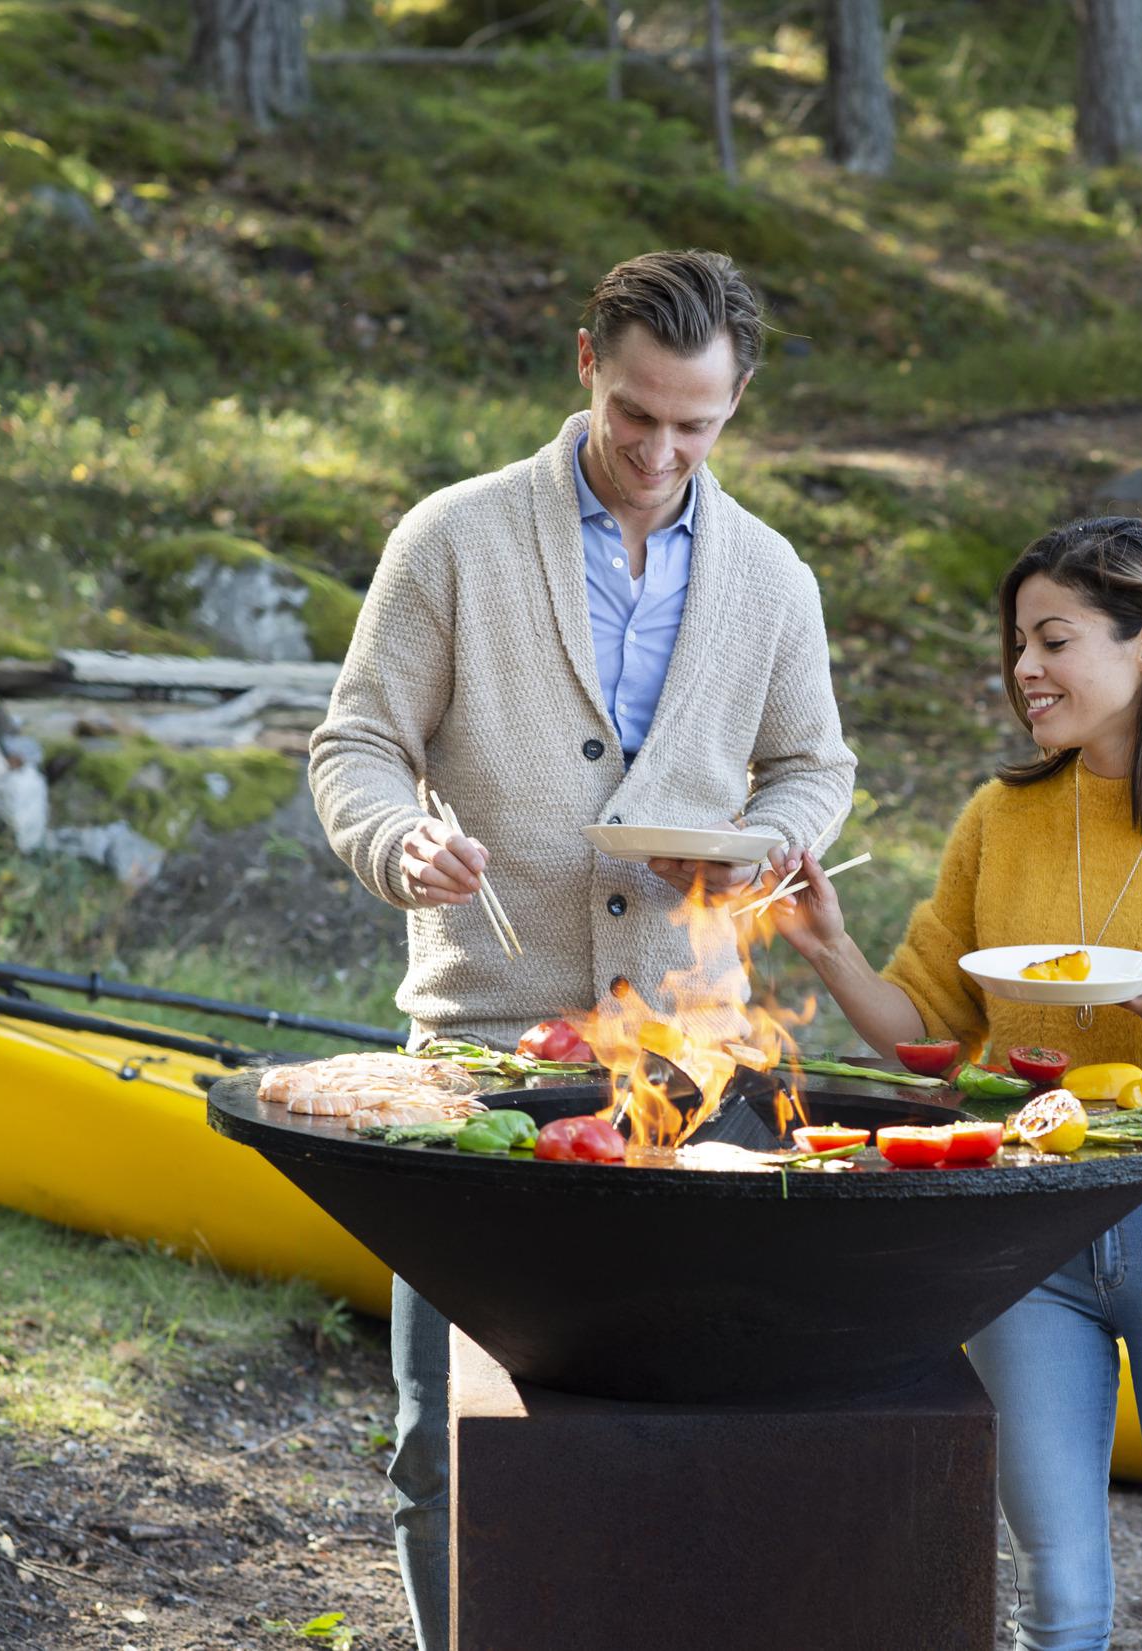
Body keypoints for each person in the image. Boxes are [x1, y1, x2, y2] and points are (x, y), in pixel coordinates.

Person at [306, 247, 855, 1650]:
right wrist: (395, 844)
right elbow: (358, 743)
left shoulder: (774, 578)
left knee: (678, 1414)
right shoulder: (454, 538)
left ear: (737, 404)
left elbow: (810, 764)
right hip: (483, 1053)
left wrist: (771, 843)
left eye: (697, 423)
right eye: (636, 415)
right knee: (451, 1430)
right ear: (583, 366)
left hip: (689, 1055)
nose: (662, 450)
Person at [764, 516, 1142, 1650]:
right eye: (1015, 644)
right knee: (1057, 1595)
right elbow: (931, 1032)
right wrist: (829, 948)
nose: (1024, 670)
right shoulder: (1001, 819)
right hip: (1024, 1222)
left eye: (1052, 640)